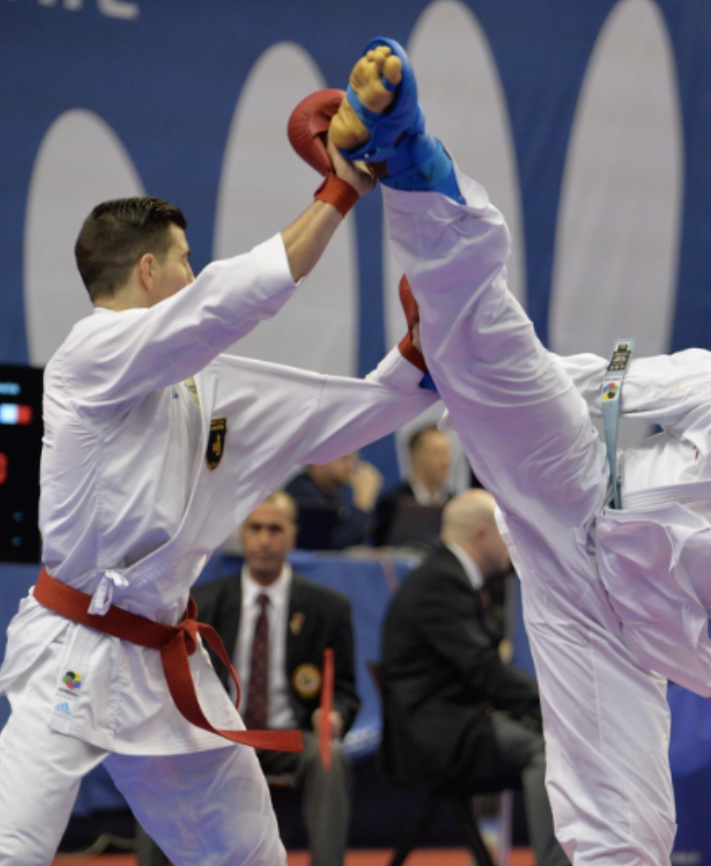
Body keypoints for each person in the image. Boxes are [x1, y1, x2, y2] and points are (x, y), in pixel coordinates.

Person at [325, 38, 711, 866]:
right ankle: (411, 156)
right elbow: (588, 386)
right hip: (575, 492)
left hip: (620, 627)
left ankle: (455, 317)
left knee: (631, 835)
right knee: (506, 347)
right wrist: (467, 377)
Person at [0, 134, 438, 866]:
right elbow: (221, 304)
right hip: (74, 646)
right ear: (148, 271)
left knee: (250, 855)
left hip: (162, 658)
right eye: (184, 259)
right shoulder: (88, 354)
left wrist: (419, 357)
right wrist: (337, 195)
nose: (194, 272)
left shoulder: (204, 385)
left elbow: (325, 416)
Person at [138, 490, 358, 866]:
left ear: (293, 535)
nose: (264, 540)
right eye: (255, 528)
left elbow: (346, 691)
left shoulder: (328, 608)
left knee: (329, 756)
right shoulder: (202, 603)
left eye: (275, 529)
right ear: (242, 533)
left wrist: (333, 714)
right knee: (160, 753)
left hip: (289, 740)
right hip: (219, 736)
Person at [379, 489, 569, 866]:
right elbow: (483, 670)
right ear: (482, 533)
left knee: (545, 736)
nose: (511, 543)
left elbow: (479, 669)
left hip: (450, 721)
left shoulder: (445, 576)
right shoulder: (441, 582)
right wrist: (555, 708)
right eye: (505, 532)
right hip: (437, 739)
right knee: (546, 750)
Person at [373, 423, 453, 547]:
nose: (445, 462)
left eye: (446, 453)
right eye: (436, 453)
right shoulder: (393, 504)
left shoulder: (455, 503)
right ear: (415, 456)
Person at [285, 452, 382, 550]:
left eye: (354, 459)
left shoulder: (331, 494)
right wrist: (362, 506)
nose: (351, 466)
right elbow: (330, 547)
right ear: (318, 461)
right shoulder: (302, 494)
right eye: (345, 458)